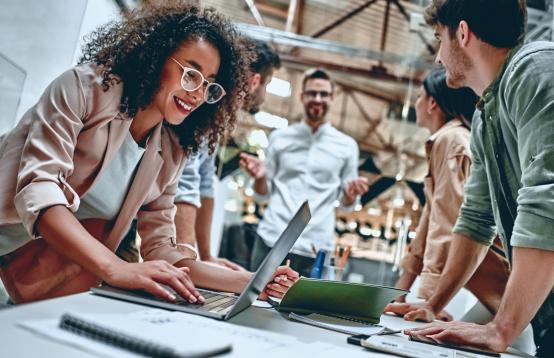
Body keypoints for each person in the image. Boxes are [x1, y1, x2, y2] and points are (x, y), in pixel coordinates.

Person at [0, 2, 296, 304]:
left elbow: (163, 250)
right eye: (191, 74)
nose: (197, 93)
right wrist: (115, 268)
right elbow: (40, 191)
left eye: (209, 85)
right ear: (155, 57)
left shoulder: (170, 150)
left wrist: (254, 280)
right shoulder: (83, 88)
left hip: (22, 273)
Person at [393, 1, 554, 356]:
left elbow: (547, 202)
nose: (437, 58)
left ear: (462, 33)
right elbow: (476, 218)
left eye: (439, 39)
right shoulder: (485, 116)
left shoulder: (537, 69)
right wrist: (433, 303)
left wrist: (502, 328)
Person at [388, 68, 509, 322]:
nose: (417, 103)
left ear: (433, 103)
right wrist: (399, 290)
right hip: (493, 285)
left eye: (419, 96)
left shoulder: (451, 140)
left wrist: (430, 301)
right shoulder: (447, 140)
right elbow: (429, 221)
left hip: (502, 282)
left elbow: (448, 221)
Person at [241, 68, 369, 277]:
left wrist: (350, 195)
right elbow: (262, 193)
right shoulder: (280, 138)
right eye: (312, 93)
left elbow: (347, 206)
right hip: (272, 238)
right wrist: (260, 178)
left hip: (316, 246)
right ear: (302, 96)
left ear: (332, 98)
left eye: (324, 94)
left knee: (304, 309)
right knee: (254, 301)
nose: (317, 99)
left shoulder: (347, 146)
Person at [174, 39, 281, 271]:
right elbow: (186, 182)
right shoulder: (204, 108)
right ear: (255, 81)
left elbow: (204, 184)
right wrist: (188, 264)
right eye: (268, 84)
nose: (264, 94)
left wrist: (206, 256)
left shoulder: (218, 118)